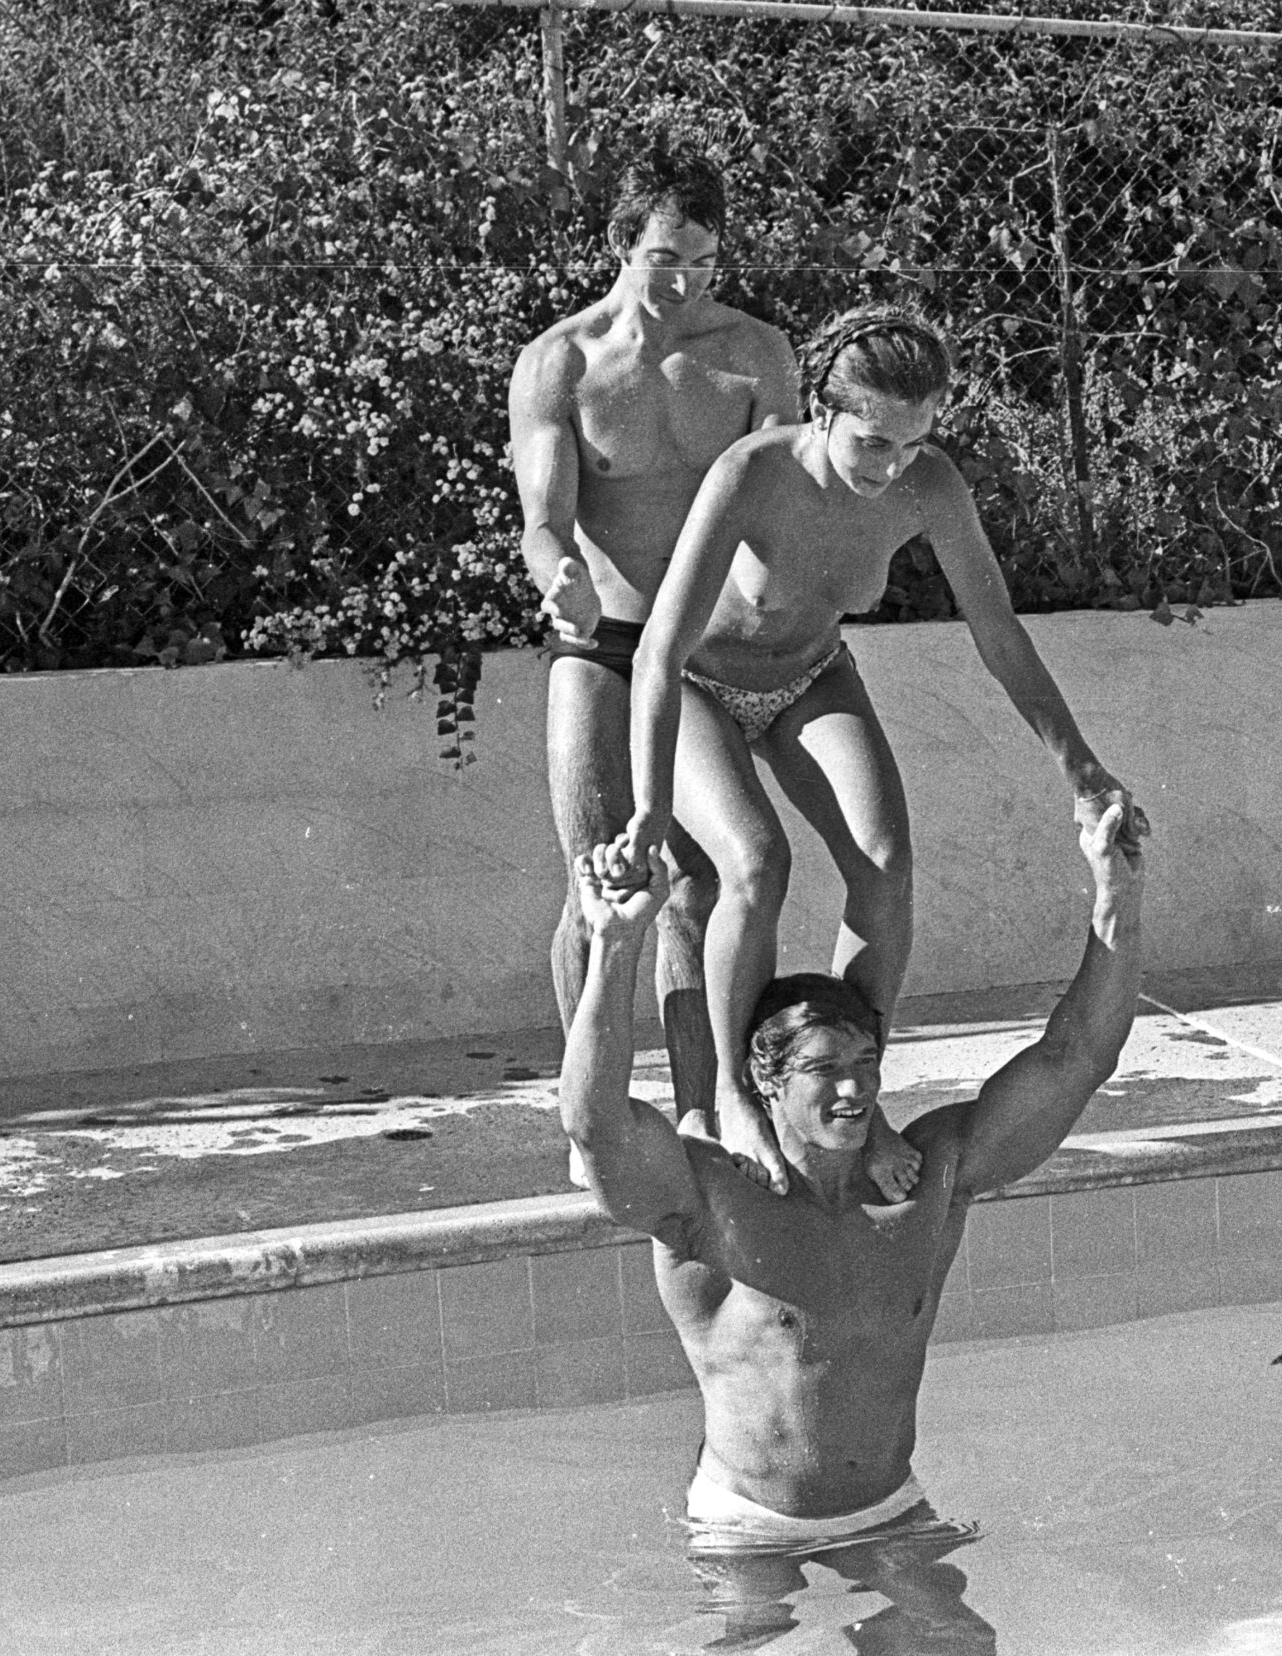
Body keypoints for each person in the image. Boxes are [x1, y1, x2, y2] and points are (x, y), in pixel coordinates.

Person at [621, 304, 1143, 1196]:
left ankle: (862, 1098)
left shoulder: (928, 485)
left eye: (912, 443)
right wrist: (646, 807)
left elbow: (998, 633)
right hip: (703, 684)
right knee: (754, 862)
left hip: (810, 675)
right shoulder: (752, 473)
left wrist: (1080, 765)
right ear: (822, 412)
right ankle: (741, 1098)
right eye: (872, 442)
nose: (892, 465)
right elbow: (658, 653)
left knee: (885, 864)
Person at [557, 798, 1145, 1574]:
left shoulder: (928, 1180)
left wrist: (1117, 898)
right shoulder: (711, 1195)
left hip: (892, 1510)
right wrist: (612, 947)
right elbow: (596, 1124)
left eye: (866, 1064)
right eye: (825, 1070)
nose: (854, 1090)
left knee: (960, 1655)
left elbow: (1076, 1058)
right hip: (746, 1529)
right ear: (764, 1083)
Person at [507, 133, 796, 1158]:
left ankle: (701, 1117)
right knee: (599, 884)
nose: (683, 283)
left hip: (709, 651)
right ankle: (591, 1117)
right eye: (664, 260)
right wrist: (560, 578)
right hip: (603, 643)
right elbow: (544, 519)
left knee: (700, 887)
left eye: (705, 262)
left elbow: (785, 498)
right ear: (623, 246)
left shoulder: (755, 355)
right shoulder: (563, 362)